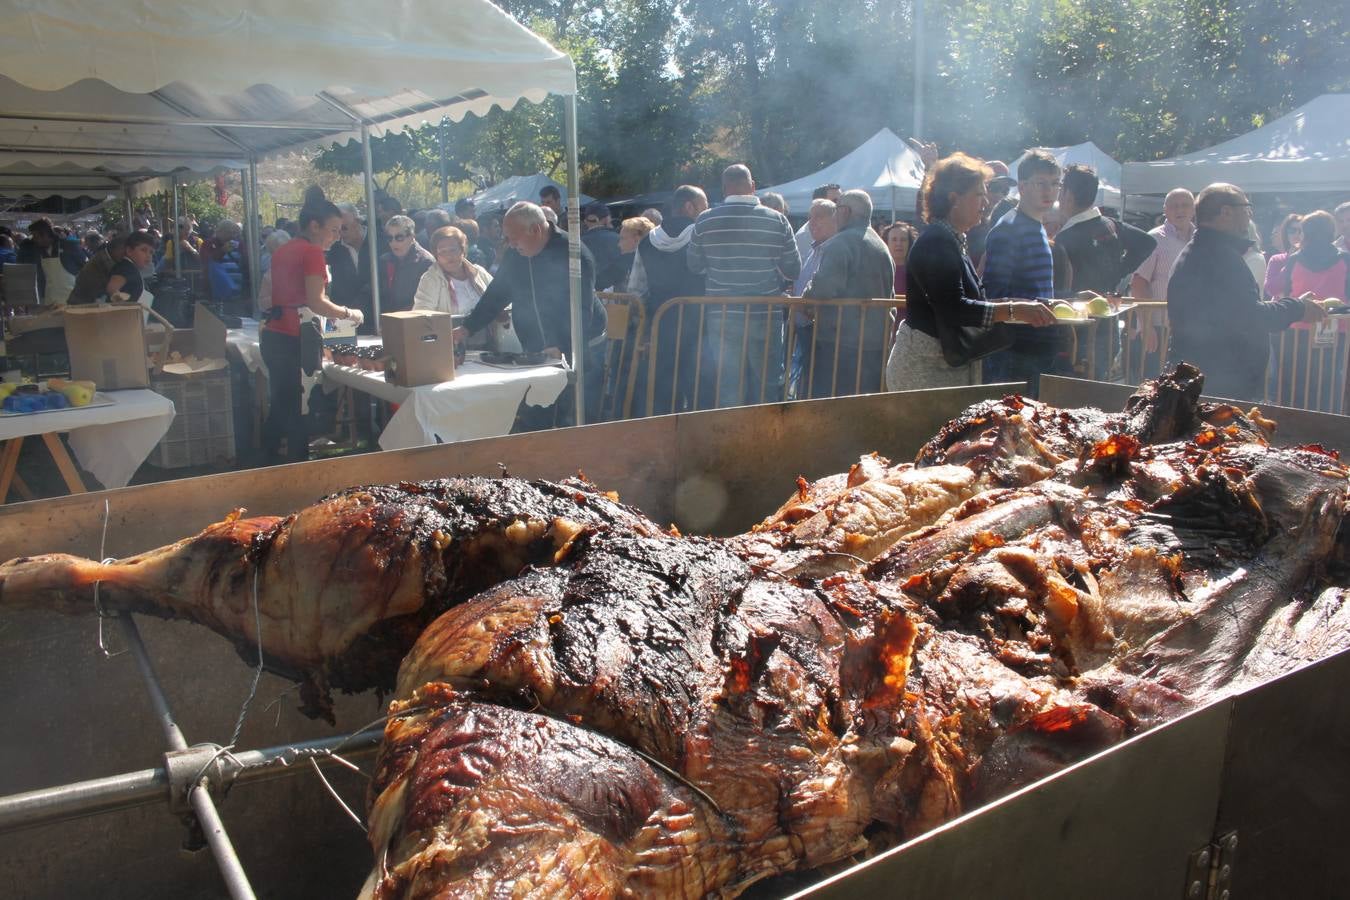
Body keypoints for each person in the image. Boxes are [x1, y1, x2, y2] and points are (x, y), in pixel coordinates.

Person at [885, 153, 1056, 392]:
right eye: (979, 195)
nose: (986, 203)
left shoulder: (951, 239)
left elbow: (972, 302)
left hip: (944, 366)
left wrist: (1022, 305)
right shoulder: (937, 241)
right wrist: (1014, 309)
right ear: (954, 198)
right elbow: (954, 308)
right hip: (924, 370)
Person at [1166, 183, 1324, 402]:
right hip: (1218, 384)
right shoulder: (1218, 256)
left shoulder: (1205, 250)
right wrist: (1297, 308)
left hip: (1208, 379)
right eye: (1247, 208)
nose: (1250, 215)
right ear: (1226, 212)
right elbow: (1251, 317)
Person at [455, 202, 608, 424]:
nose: (509, 243)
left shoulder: (573, 254)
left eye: (513, 237)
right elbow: (496, 295)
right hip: (537, 347)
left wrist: (563, 346)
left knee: (575, 419)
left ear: (535, 229)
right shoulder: (515, 254)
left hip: (581, 345)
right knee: (538, 414)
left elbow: (581, 309)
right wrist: (468, 327)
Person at [687, 164, 801, 407]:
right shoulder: (777, 220)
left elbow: (694, 266)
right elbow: (794, 269)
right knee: (766, 386)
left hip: (722, 314)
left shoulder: (705, 220)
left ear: (724, 188)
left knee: (729, 387)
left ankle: (731, 441)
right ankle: (765, 441)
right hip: (765, 313)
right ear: (753, 187)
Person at [261, 193, 363, 463]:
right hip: (293, 337)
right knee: (296, 407)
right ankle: (297, 467)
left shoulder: (284, 249)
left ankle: (264, 458)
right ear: (314, 226)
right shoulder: (312, 252)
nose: (336, 236)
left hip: (274, 333)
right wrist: (349, 313)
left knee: (282, 402)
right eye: (332, 230)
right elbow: (316, 301)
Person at [981, 148, 1061, 395]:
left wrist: (1075, 299)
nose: (1049, 190)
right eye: (1041, 183)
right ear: (1023, 187)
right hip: (1013, 353)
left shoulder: (1036, 227)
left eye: (1055, 183)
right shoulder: (1008, 229)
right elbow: (994, 296)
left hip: (1037, 348)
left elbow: (1035, 293)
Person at [802, 189, 895, 397]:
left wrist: (805, 301)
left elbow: (822, 288)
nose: (834, 215)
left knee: (831, 405)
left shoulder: (840, 243)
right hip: (875, 344)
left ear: (845, 211)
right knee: (866, 406)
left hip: (840, 345)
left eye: (836, 209)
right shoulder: (882, 246)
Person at [628, 185, 708, 415]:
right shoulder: (701, 237)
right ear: (689, 207)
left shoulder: (646, 242)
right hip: (699, 325)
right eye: (704, 205)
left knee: (662, 388)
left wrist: (642, 325)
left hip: (660, 324)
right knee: (696, 388)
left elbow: (636, 288)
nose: (707, 210)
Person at [1056, 165, 1156, 295]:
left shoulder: (1064, 239)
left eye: (1060, 189)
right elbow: (1147, 242)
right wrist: (1119, 272)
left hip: (1075, 312)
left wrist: (1119, 271)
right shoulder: (1111, 225)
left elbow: (1057, 288)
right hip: (1109, 308)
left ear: (1068, 194)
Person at [413, 225, 494, 332]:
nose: (449, 256)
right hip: (451, 344)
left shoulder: (480, 272)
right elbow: (421, 316)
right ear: (436, 255)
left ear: (463, 250)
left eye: (453, 250)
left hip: (490, 343)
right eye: (443, 251)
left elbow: (501, 301)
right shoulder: (430, 279)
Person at [1131, 189, 1196, 301]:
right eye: (1173, 206)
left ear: (1194, 209)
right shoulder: (1153, 239)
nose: (1179, 210)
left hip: (1193, 317)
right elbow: (1138, 283)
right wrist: (1147, 317)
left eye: (1185, 205)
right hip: (1159, 317)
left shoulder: (1200, 240)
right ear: (1165, 210)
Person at [325, 204, 373, 332]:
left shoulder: (376, 241)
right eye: (336, 230)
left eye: (344, 228)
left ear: (357, 222)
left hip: (376, 315)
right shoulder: (333, 249)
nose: (340, 235)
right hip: (347, 320)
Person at [1281, 211, 1349, 301]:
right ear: (1331, 231)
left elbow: (1287, 295)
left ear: (1306, 234)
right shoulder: (1345, 259)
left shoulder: (1294, 260)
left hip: (1303, 314)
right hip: (1341, 314)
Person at [16, 218, 83, 303]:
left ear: (46, 234)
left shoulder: (69, 246)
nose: (34, 240)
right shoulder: (39, 251)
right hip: (50, 301)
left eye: (36, 237)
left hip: (70, 299)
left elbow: (84, 269)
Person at [378, 214, 434, 315]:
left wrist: (397, 317)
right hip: (387, 320)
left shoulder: (426, 262)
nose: (393, 242)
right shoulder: (384, 260)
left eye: (399, 237)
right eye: (389, 238)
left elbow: (425, 301)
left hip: (414, 321)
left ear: (412, 237)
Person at [68, 235, 127, 304]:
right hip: (83, 302)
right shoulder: (104, 260)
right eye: (123, 249)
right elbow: (111, 287)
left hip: (83, 299)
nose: (125, 253)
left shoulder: (104, 255)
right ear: (113, 249)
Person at [581, 202, 626, 291]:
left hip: (585, 294)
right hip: (615, 299)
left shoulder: (577, 243)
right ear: (606, 219)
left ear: (586, 221)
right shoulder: (621, 240)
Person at [795, 184, 841, 264]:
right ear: (820, 203)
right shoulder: (805, 235)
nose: (840, 205)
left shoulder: (840, 228)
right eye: (835, 201)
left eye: (841, 200)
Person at [104, 231, 155, 303]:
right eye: (143, 250)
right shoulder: (127, 268)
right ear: (129, 251)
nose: (148, 255)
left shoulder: (131, 268)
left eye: (151, 252)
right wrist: (126, 307)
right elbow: (112, 288)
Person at [1263, 213, 1303, 299]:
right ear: (1286, 233)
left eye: (1301, 230)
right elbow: (1271, 289)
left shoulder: (1312, 259)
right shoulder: (1276, 259)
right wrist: (1290, 262)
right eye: (1292, 230)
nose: (1296, 234)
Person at [882, 222, 915, 297]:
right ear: (886, 242)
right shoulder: (879, 271)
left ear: (909, 243)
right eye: (894, 239)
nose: (898, 243)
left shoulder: (917, 272)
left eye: (903, 240)